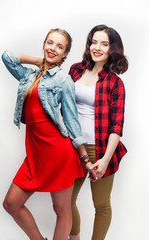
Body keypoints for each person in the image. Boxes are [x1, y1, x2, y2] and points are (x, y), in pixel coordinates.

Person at [1, 28, 97, 240]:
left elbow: (73, 121)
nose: (53, 48)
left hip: (58, 153)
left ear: (65, 55)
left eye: (59, 47)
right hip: (35, 154)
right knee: (11, 203)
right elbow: (7, 57)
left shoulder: (64, 80)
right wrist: (39, 62)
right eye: (50, 43)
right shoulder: (29, 75)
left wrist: (85, 159)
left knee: (61, 209)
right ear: (44, 44)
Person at [68, 25, 128, 240]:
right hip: (73, 146)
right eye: (94, 41)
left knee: (101, 205)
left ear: (113, 48)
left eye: (104, 43)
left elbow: (116, 126)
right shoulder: (75, 70)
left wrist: (104, 160)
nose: (97, 47)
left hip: (101, 149)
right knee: (66, 200)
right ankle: (74, 237)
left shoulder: (115, 83)